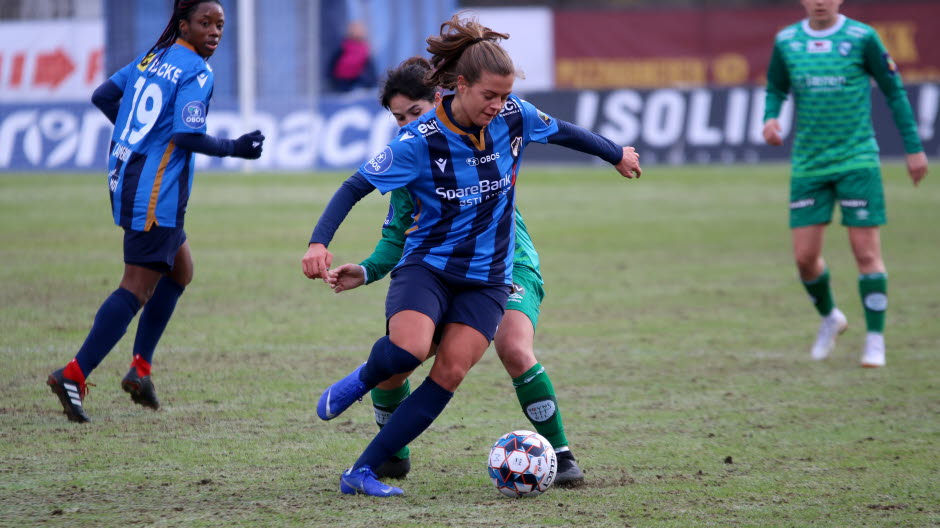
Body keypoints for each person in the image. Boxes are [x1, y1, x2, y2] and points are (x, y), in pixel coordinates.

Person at [302, 14, 641, 497]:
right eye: (489, 95)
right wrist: (319, 242)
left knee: (450, 372)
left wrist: (615, 154)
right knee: (407, 350)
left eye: (505, 95)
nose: (498, 105)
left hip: (489, 278)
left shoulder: (514, 115)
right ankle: (364, 379)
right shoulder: (417, 141)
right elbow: (354, 187)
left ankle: (361, 471)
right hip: (430, 268)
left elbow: (565, 131)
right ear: (460, 86)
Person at [325, 57, 584, 486]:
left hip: (507, 265)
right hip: (443, 272)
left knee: (513, 346)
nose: (407, 124)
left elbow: (543, 125)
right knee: (398, 362)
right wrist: (368, 270)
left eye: (415, 112)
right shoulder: (414, 160)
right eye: (398, 117)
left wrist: (614, 153)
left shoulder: (484, 132)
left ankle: (561, 454)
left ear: (441, 99)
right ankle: (390, 456)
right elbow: (397, 237)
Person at [46, 0, 265, 423]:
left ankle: (140, 369)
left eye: (220, 24)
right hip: (155, 194)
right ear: (183, 25)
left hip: (129, 177)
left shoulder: (155, 56)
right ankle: (73, 373)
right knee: (136, 288)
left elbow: (103, 95)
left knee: (181, 271)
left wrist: (138, 135)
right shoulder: (196, 71)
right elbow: (187, 136)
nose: (214, 31)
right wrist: (236, 148)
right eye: (205, 23)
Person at [763, 0, 927, 368]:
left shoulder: (862, 37)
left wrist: (914, 148)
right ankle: (831, 318)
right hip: (809, 164)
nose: (820, 1)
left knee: (865, 253)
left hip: (857, 160)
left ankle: (875, 340)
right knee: (804, 259)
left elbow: (894, 91)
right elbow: (775, 88)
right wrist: (770, 118)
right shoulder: (787, 41)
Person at [328, 20, 377, 93]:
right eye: (355, 30)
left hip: (356, 78)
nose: (357, 33)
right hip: (342, 78)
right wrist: (331, 76)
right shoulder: (344, 45)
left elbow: (368, 65)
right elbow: (334, 61)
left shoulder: (364, 48)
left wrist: (372, 80)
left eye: (359, 31)